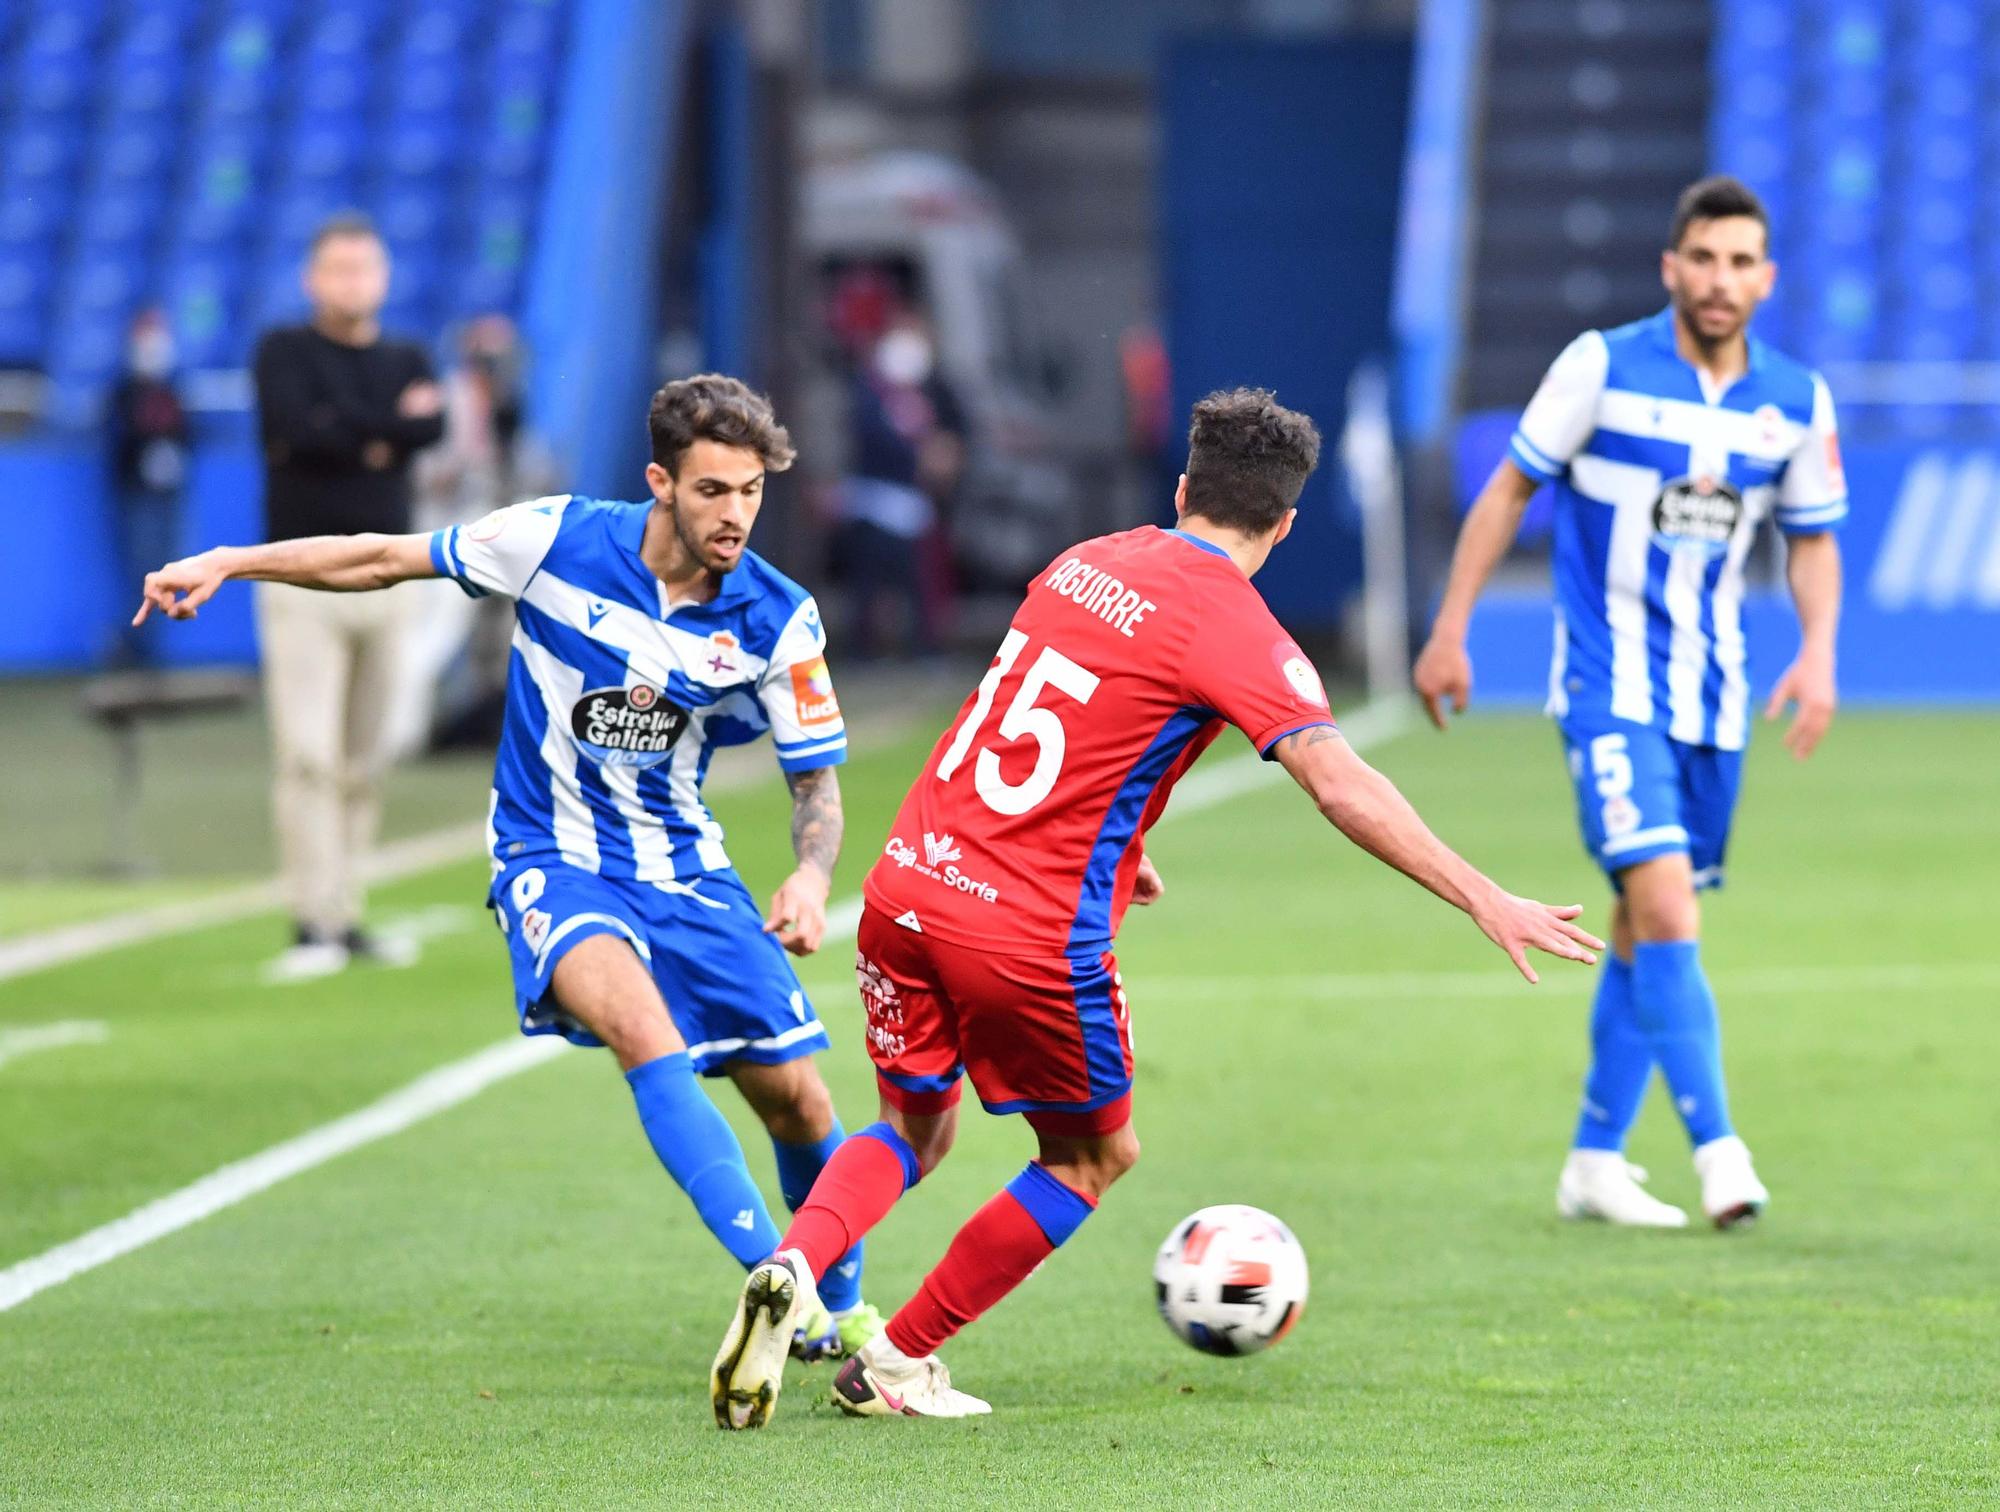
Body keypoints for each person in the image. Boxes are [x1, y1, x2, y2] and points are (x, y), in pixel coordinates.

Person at [708, 387, 1603, 1427]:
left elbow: (1047, 719)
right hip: (1019, 929)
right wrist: (1481, 895)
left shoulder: (1087, 559)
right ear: (1282, 524)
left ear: (1181, 489)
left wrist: (1120, 852)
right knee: (1090, 1157)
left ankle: (792, 1265)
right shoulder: (1234, 624)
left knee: (912, 1120)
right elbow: (1338, 783)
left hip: (906, 883)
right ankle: (894, 1363)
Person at [135, 374, 886, 1364]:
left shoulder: (777, 619)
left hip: (684, 867)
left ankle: (843, 1316)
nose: (734, 515)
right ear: (660, 482)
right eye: (712, 491)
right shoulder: (556, 539)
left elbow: (816, 790)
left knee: (799, 1100)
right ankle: (775, 1285)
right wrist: (232, 560)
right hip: (550, 855)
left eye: (749, 492)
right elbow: (378, 560)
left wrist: (806, 875)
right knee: (639, 1031)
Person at [1410, 176, 1845, 1230]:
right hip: (1607, 689)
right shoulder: (1599, 366)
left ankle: (1593, 1161)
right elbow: (1510, 487)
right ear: (1669, 266)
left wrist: (1818, 653)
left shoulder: (1793, 399)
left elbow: (1812, 537)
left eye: (1740, 262)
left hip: (1715, 698)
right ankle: (1720, 1156)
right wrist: (1449, 628)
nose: (1719, 279)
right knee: (1662, 906)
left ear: (1765, 277)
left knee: (1639, 921)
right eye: (1702, 258)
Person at [251, 213, 446, 979]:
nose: (351, 282)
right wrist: (380, 432)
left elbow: (427, 433)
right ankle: (312, 920)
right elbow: (296, 429)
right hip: (302, 582)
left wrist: (360, 433)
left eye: (364, 268)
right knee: (307, 754)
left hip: (389, 578)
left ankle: (347, 909)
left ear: (384, 277)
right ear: (312, 277)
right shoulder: (284, 351)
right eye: (337, 268)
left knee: (367, 755)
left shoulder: (407, 354)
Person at [107, 308, 189, 667]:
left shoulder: (173, 388)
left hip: (170, 493)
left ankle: (149, 648)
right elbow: (117, 443)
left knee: (168, 566)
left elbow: (188, 435)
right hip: (137, 494)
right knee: (141, 569)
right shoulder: (123, 391)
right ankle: (134, 647)